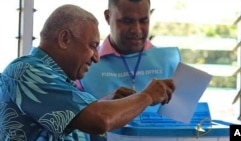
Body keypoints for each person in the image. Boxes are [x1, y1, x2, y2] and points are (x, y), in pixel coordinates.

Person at [0, 4, 176, 141]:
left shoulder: (59, 79)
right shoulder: (26, 72)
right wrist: (147, 96)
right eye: (92, 46)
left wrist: (105, 103)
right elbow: (101, 120)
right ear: (65, 39)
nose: (96, 58)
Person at [77, 0, 181, 140]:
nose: (137, 29)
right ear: (108, 17)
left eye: (144, 21)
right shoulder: (81, 65)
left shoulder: (171, 62)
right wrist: (103, 105)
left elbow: (189, 125)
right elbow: (68, 126)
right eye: (127, 21)